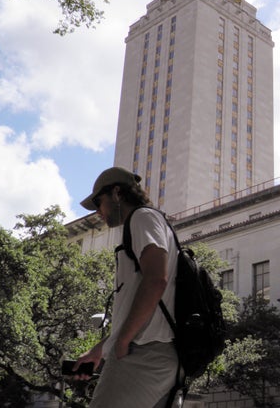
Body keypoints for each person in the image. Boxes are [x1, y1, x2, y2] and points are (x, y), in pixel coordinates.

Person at [74, 167, 180, 407]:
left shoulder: (142, 217)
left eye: (98, 202)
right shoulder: (147, 221)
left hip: (143, 353)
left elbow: (156, 280)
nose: (98, 212)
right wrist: (100, 349)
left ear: (117, 193)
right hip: (157, 354)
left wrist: (122, 341)